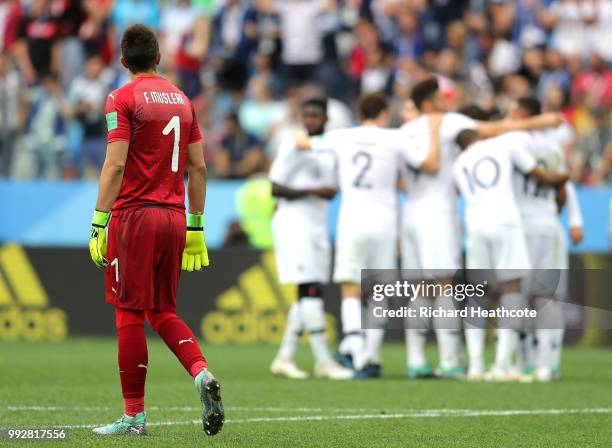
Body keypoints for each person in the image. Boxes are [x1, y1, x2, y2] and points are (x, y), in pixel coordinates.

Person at [87, 24, 223, 436]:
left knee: (129, 312)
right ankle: (201, 374)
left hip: (135, 217)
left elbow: (114, 164)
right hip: (175, 217)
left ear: (123, 60)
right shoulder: (183, 100)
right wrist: (197, 226)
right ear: (159, 58)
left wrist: (99, 221)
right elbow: (198, 167)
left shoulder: (121, 97)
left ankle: (134, 417)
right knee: (162, 311)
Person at [400, 77, 565, 380]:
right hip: (490, 221)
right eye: (440, 97)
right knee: (504, 288)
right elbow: (508, 141)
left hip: (435, 218)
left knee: (445, 290)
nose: (446, 102)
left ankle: (468, 363)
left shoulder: (443, 153)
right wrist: (539, 122)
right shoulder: (487, 140)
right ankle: (495, 363)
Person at [298, 92, 441, 378]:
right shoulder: (396, 138)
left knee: (351, 288)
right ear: (384, 113)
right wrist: (435, 131)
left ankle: (357, 351)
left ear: (360, 113)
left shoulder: (342, 137)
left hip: (352, 219)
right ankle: (372, 355)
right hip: (385, 221)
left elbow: (304, 142)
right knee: (379, 291)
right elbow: (427, 164)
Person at [453, 128, 568, 382]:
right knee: (512, 289)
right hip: (505, 222)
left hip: (476, 226)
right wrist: (563, 177)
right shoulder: (501, 146)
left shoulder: (459, 163)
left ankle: (475, 366)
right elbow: (537, 174)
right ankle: (503, 364)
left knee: (476, 293)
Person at [268, 97, 352, 380]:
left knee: (307, 293)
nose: (311, 121)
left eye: (316, 116)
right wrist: (314, 191)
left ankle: (284, 358)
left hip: (316, 224)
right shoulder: (292, 145)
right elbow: (275, 187)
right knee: (309, 289)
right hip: (294, 223)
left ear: (326, 119)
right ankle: (324, 361)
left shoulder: (331, 148)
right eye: (307, 116)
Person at [508, 96, 584, 382]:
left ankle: (524, 362)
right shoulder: (551, 146)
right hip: (549, 224)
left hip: (520, 226)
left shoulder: (508, 143)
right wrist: (574, 220)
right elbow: (564, 184)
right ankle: (549, 364)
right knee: (547, 297)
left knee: (519, 296)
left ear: (517, 112)